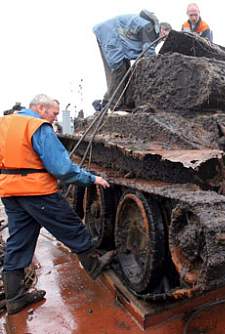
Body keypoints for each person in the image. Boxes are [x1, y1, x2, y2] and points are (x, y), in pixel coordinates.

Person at [0, 94, 114, 315]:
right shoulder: (37, 126)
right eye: (53, 113)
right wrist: (91, 178)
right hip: (35, 190)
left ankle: (15, 298)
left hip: (9, 191)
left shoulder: (4, 123)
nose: (53, 118)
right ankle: (94, 265)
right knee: (71, 226)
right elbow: (61, 168)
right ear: (41, 108)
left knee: (19, 239)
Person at [93, 10, 171, 110]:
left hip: (114, 36)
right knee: (119, 69)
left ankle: (107, 102)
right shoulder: (149, 28)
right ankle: (114, 105)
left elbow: (143, 53)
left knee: (125, 68)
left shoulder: (148, 28)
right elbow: (149, 52)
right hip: (110, 33)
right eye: (165, 37)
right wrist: (159, 68)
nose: (162, 40)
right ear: (163, 30)